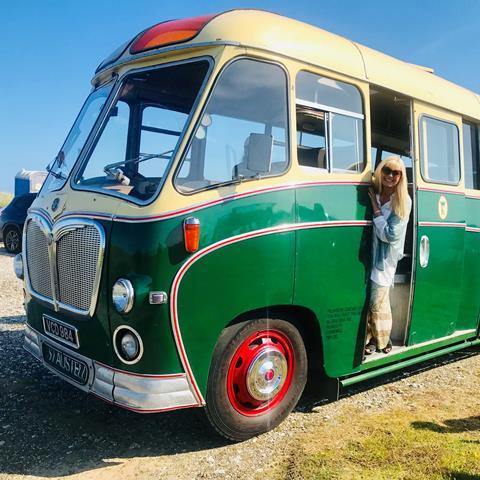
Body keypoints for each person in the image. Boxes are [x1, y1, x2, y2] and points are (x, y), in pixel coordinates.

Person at [365, 156, 412, 355]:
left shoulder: (402, 201)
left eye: (396, 173)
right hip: (368, 253)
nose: (390, 176)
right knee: (368, 299)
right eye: (387, 171)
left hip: (385, 258)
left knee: (378, 299)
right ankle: (370, 339)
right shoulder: (374, 192)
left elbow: (390, 235)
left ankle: (384, 340)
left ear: (401, 177)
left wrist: (375, 209)